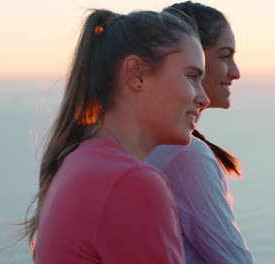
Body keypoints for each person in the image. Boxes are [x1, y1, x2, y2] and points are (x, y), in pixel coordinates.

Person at [19, 8, 209, 263]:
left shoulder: (78, 162)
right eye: (191, 76)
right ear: (137, 74)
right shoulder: (131, 182)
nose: (203, 98)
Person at [146, 2, 255, 263]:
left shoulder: (140, 140)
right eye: (225, 55)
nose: (236, 72)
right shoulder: (183, 153)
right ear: (193, 58)